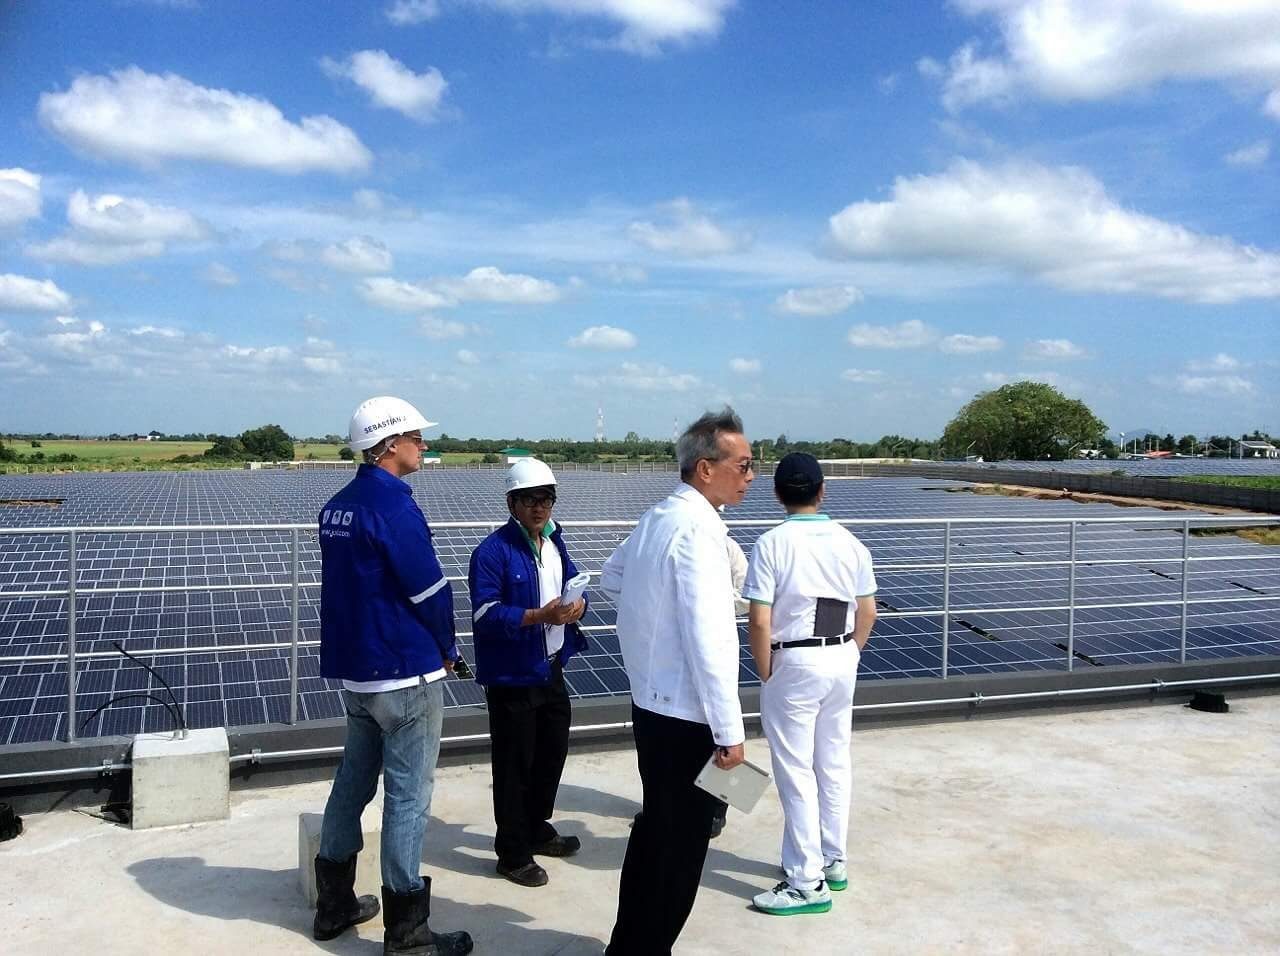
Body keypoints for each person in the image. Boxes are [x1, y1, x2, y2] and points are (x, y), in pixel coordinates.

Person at [313, 396, 473, 955]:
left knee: (352, 784)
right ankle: (408, 934)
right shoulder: (395, 510)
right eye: (416, 437)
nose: (423, 445)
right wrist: (449, 648)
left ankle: (333, 905)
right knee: (407, 799)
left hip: (358, 676)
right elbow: (429, 592)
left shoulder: (336, 508)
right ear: (389, 445)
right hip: (406, 675)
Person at [601, 407, 754, 956]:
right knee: (680, 853)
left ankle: (628, 946)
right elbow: (712, 642)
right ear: (705, 468)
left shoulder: (659, 517)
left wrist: (653, 633)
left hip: (651, 706)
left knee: (654, 836)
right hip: (689, 719)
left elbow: (612, 578)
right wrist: (730, 733)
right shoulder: (699, 531)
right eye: (743, 464)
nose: (751, 476)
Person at [742, 452, 877, 917]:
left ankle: (805, 881)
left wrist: (767, 671)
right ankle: (833, 859)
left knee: (795, 772)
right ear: (822, 490)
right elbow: (868, 612)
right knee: (833, 763)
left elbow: (759, 620)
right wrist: (850, 652)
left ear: (777, 494)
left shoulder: (771, 544)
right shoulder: (851, 543)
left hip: (793, 660)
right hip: (841, 656)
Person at [468, 458, 588, 888]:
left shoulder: (555, 543)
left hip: (550, 667)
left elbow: (575, 582)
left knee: (551, 753)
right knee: (514, 766)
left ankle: (536, 826)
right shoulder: (491, 552)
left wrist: (579, 606)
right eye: (529, 500)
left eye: (546, 499)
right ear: (512, 504)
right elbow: (485, 614)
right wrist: (540, 615)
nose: (539, 508)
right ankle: (513, 852)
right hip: (512, 677)